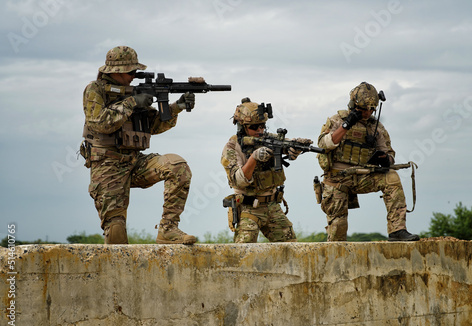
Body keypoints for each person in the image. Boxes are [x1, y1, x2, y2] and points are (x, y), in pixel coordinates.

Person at [80, 45, 196, 245]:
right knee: (116, 233)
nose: (134, 76)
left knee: (178, 166)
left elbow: (153, 126)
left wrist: (178, 107)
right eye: (131, 72)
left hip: (135, 162)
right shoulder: (95, 90)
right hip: (108, 166)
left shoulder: (132, 92)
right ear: (118, 72)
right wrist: (132, 102)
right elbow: (99, 122)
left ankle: (168, 230)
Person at [317, 82, 419, 242]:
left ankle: (397, 230)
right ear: (354, 105)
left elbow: (390, 153)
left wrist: (386, 160)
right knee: (338, 233)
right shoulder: (337, 120)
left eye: (372, 109)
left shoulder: (375, 127)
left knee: (391, 177)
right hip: (337, 180)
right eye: (364, 109)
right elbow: (324, 145)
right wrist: (346, 125)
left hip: (363, 177)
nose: (368, 112)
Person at [221, 98, 311, 243]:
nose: (260, 130)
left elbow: (285, 144)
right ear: (242, 127)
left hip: (273, 206)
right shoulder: (233, 147)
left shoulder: (267, 138)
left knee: (290, 249)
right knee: (244, 254)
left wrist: (294, 149)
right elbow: (237, 180)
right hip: (248, 208)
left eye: (262, 126)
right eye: (254, 127)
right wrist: (254, 158)